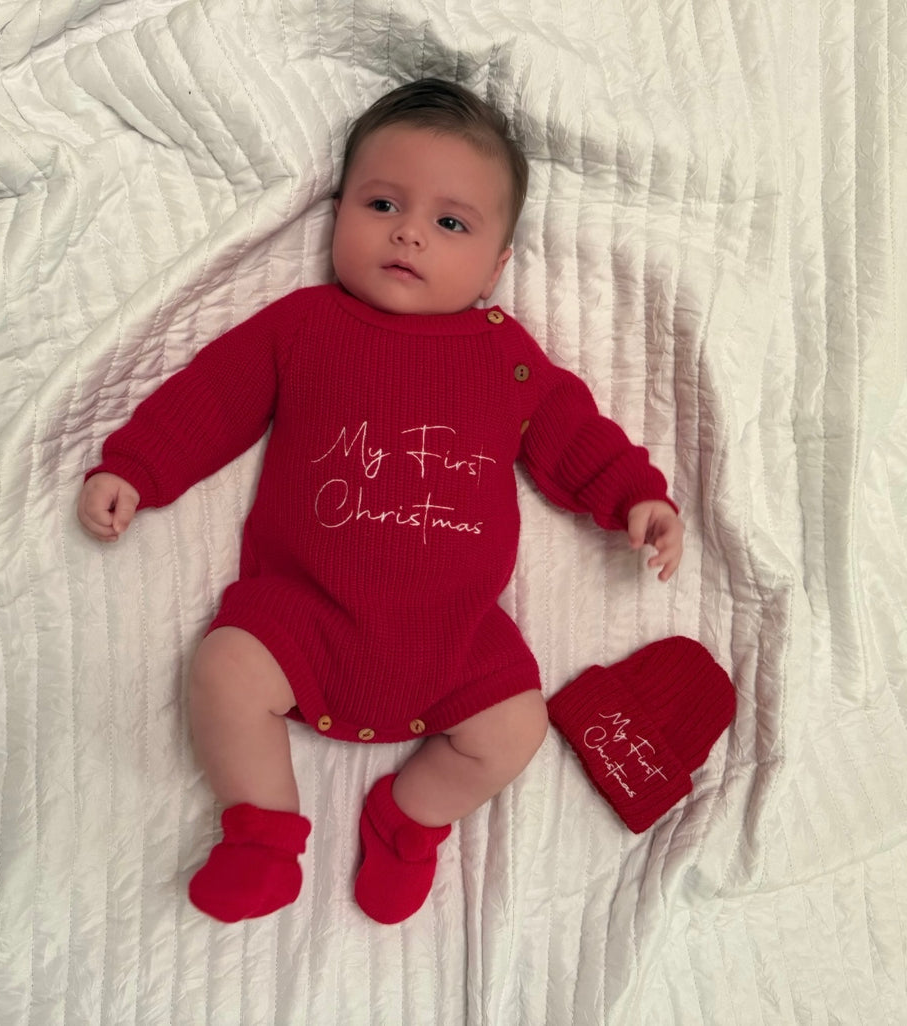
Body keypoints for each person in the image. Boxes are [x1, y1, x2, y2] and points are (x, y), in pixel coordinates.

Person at [77, 79, 684, 925]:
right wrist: (136, 467)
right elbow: (212, 399)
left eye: (450, 222)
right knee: (223, 671)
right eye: (383, 202)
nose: (407, 231)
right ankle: (262, 828)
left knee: (514, 729)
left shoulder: (506, 360)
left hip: (455, 640)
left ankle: (409, 819)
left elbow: (573, 436)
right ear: (338, 211)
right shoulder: (304, 328)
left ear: (497, 264)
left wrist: (634, 497)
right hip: (302, 616)